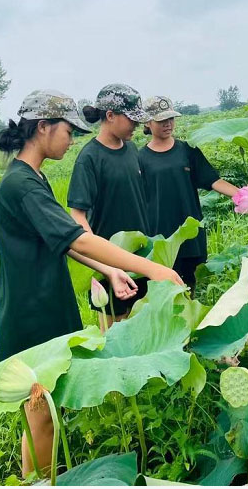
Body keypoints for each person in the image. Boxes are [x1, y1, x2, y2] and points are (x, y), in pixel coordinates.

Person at [0, 89, 183, 478]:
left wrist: (109, 269)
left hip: (45, 306)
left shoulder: (32, 177)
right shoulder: (21, 186)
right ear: (43, 127)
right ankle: (40, 483)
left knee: (44, 413)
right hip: (31, 316)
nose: (72, 139)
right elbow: (78, 235)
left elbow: (60, 239)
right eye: (68, 130)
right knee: (40, 417)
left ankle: (42, 479)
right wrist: (152, 269)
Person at [67, 83, 157, 321]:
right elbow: (78, 216)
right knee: (115, 334)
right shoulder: (89, 158)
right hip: (111, 262)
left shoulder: (131, 150)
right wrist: (104, 265)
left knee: (143, 327)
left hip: (141, 256)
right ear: (110, 116)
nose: (137, 126)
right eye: (132, 120)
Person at [138, 95, 239, 295]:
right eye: (161, 120)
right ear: (148, 122)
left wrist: (243, 196)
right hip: (160, 238)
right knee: (166, 292)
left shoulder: (187, 150)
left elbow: (213, 181)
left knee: (190, 288)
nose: (168, 124)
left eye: (171, 119)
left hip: (190, 232)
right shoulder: (139, 158)